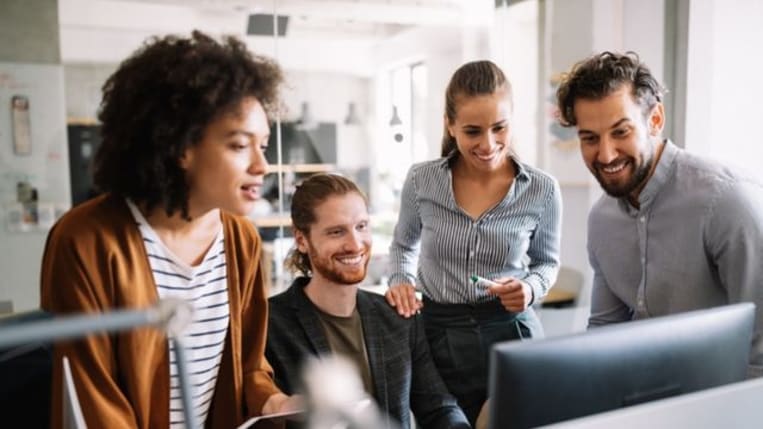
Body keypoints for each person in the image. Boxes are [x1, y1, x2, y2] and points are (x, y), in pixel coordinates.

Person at [40, 31, 300, 428]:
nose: (261, 166)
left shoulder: (240, 240)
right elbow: (91, 399)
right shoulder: (85, 240)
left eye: (263, 145)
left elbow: (249, 367)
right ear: (181, 147)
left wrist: (273, 401)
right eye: (238, 145)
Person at [555, 51, 763, 377]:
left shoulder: (727, 200)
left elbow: (760, 352)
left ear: (655, 120)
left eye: (621, 132)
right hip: (641, 397)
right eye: (590, 138)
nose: (606, 154)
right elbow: (605, 331)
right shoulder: (602, 219)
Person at [385, 60, 563, 424]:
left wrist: (529, 289)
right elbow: (404, 247)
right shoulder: (421, 181)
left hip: (512, 332)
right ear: (450, 126)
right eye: (472, 131)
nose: (488, 144)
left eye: (500, 128)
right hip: (439, 334)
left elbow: (547, 262)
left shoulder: (542, 189)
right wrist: (401, 280)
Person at [265, 173, 471, 429]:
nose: (355, 244)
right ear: (301, 240)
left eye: (361, 226)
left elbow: (438, 406)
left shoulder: (397, 316)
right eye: (336, 232)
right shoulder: (270, 324)